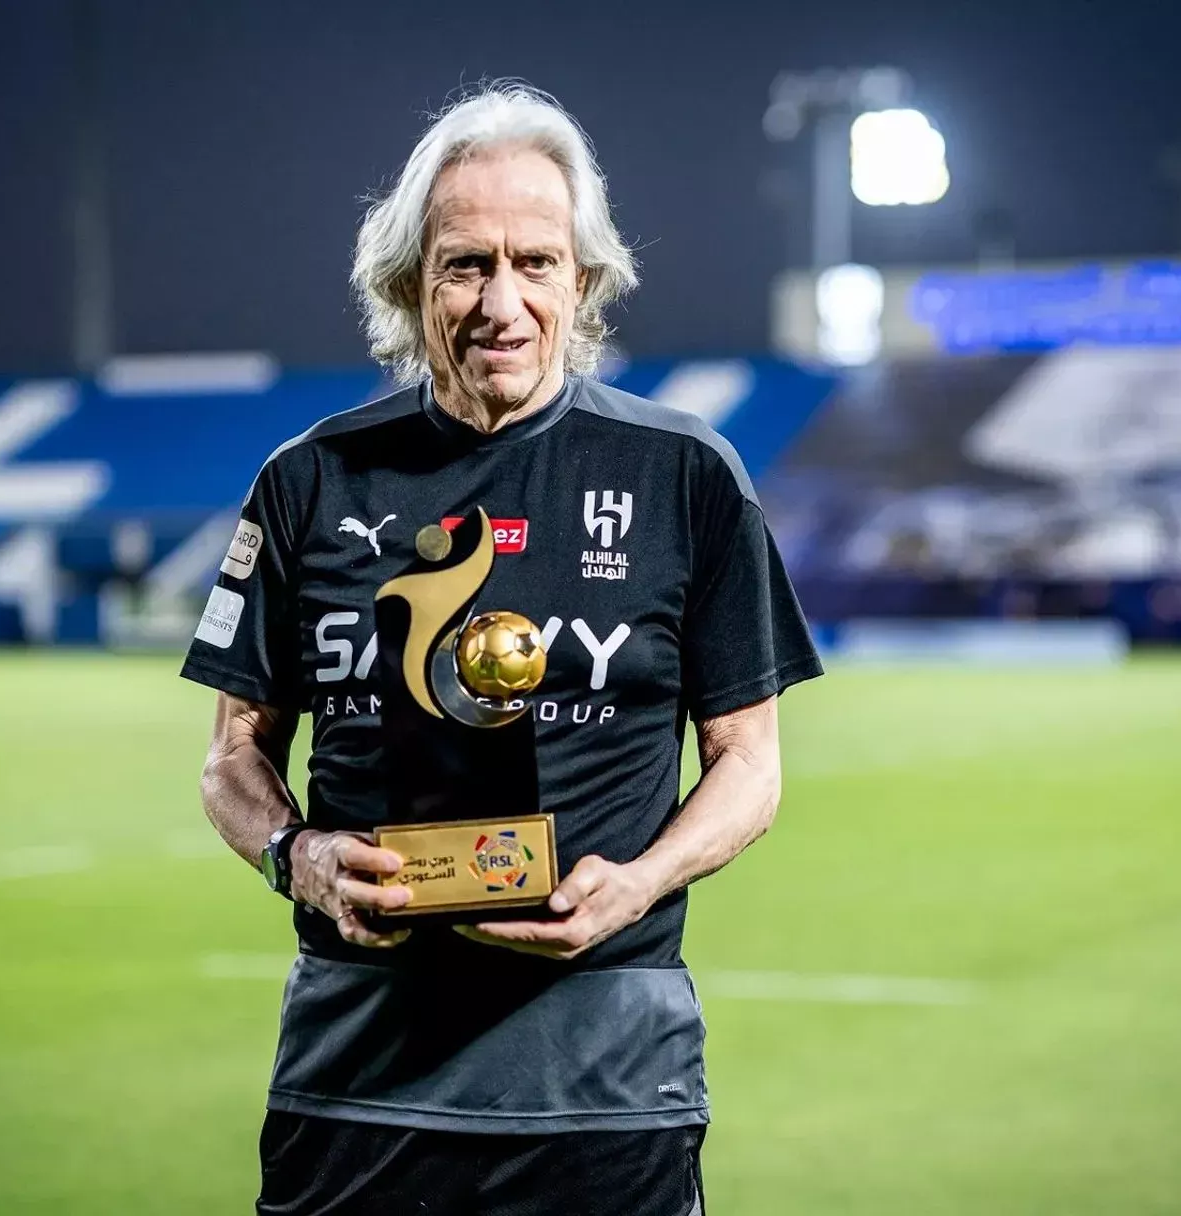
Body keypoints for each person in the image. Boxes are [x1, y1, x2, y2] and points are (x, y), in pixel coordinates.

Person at [182, 83, 822, 1215]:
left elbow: (749, 765)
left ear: (582, 283)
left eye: (536, 262)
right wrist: (299, 856)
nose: (502, 301)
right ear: (407, 283)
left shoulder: (686, 475)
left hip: (607, 1078)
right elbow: (232, 758)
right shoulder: (306, 480)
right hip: (357, 1073)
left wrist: (636, 883)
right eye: (465, 263)